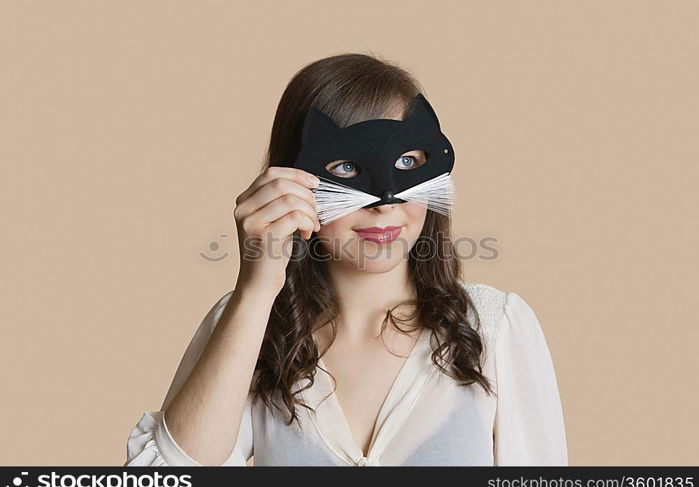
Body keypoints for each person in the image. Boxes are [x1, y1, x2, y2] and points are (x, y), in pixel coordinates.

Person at [124, 53, 568, 466]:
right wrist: (256, 292)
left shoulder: (494, 327)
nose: (385, 202)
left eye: (408, 159)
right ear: (291, 179)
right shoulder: (249, 327)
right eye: (346, 169)